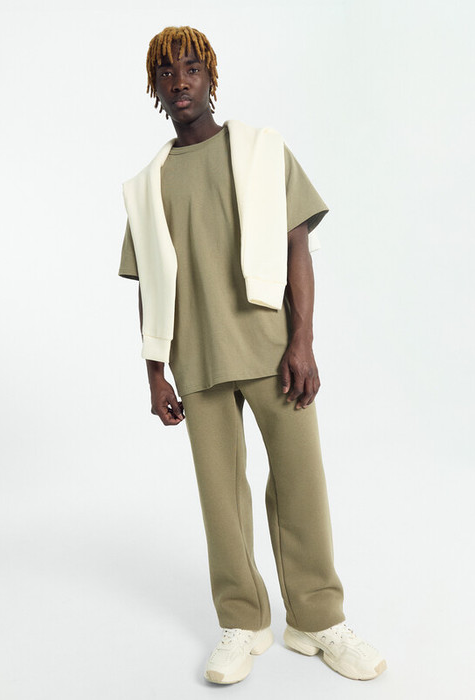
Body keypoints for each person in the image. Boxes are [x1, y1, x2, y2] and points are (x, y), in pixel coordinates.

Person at [118, 25, 387, 685]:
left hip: (273, 352)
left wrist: (302, 340)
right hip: (196, 358)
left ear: (210, 76)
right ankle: (243, 621)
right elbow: (149, 285)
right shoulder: (146, 185)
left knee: (301, 484)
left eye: (190, 68)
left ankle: (317, 619)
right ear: (154, 88)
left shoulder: (264, 150)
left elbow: (297, 246)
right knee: (221, 500)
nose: (179, 81)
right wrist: (154, 374)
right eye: (166, 73)